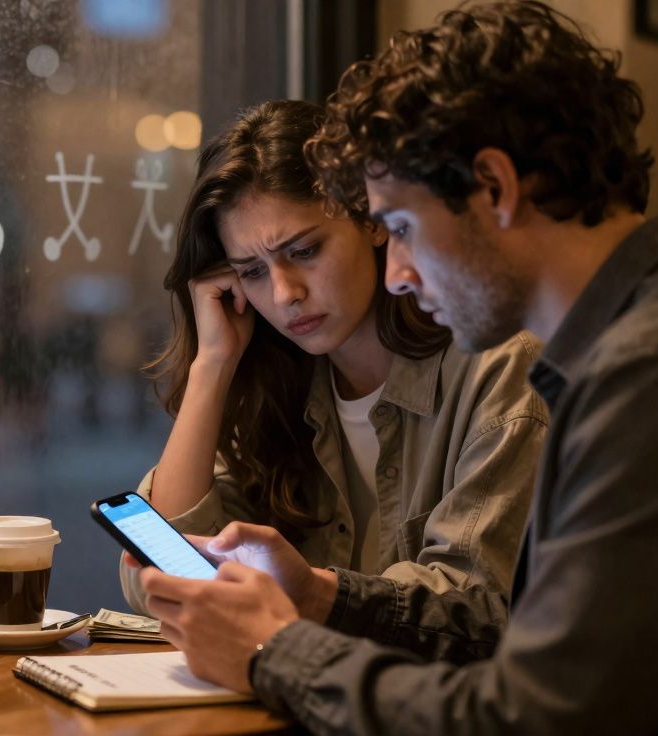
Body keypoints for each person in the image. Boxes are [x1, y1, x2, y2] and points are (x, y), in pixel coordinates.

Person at [135, 2, 658, 734]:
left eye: (401, 229)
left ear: (496, 188)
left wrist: (272, 648)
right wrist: (315, 603)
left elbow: (532, 715)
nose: (398, 273)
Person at [120, 100, 548, 662]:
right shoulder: (279, 385)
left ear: (373, 221)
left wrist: (313, 593)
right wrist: (212, 366)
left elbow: (477, 609)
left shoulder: (499, 370)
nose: (283, 293)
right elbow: (157, 582)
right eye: (250, 272)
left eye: (303, 251)